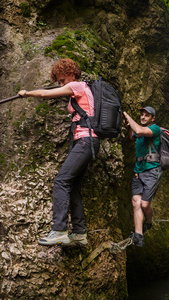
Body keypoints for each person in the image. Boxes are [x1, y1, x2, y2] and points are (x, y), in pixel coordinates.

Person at [18, 58, 99, 246]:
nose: (61, 84)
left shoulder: (78, 85)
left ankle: (60, 230)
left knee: (61, 181)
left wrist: (27, 93)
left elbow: (47, 94)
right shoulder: (80, 89)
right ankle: (79, 234)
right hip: (87, 142)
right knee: (73, 187)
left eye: (62, 80)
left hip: (85, 141)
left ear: (72, 74)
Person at [123, 107, 162, 247]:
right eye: (142, 115)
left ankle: (149, 222)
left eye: (147, 116)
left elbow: (139, 131)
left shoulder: (155, 129)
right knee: (135, 202)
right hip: (138, 171)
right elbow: (132, 136)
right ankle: (138, 235)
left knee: (145, 204)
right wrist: (129, 127)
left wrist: (127, 116)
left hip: (152, 170)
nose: (143, 117)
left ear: (153, 118)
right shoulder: (139, 130)